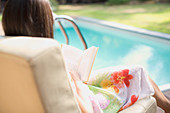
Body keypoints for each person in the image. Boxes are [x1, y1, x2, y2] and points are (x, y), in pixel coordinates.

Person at [2, 0, 170, 113]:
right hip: (88, 100)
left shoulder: (12, 52)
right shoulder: (47, 63)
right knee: (136, 73)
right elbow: (86, 109)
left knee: (133, 71)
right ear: (41, 21)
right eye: (49, 13)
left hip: (70, 93)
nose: (53, 17)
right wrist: (75, 79)